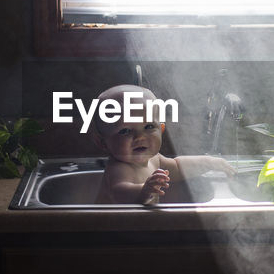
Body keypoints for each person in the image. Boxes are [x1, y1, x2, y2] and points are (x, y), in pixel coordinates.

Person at [91, 84, 235, 204]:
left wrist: (208, 163)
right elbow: (120, 192)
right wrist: (144, 191)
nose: (140, 137)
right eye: (125, 131)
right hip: (110, 232)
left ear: (161, 129)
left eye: (148, 127)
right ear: (102, 142)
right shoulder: (119, 168)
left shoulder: (154, 159)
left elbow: (178, 167)